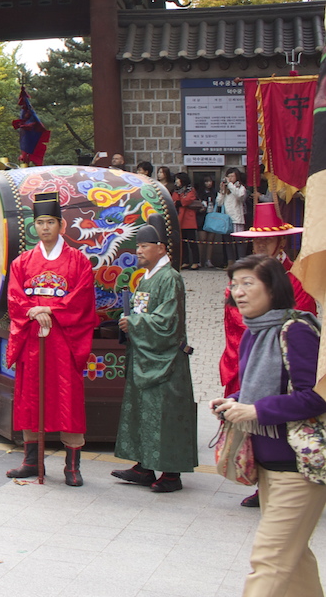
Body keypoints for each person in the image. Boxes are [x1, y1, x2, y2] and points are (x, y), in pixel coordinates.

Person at [213, 254, 326, 597]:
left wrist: (255, 410)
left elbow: (315, 397)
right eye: (235, 284)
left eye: (248, 283)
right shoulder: (255, 332)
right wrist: (233, 401)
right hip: (268, 467)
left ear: (273, 288)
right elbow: (256, 389)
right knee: (294, 559)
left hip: (299, 469)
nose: (238, 292)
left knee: (270, 560)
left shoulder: (298, 330)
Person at [219, 200, 316, 506]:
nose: (239, 292)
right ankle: (259, 477)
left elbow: (312, 395)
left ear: (281, 242)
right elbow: (234, 319)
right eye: (256, 241)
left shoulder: (296, 282)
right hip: (244, 357)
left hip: (281, 365)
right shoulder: (245, 282)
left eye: (267, 240)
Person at [4, 190, 97, 486]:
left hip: (64, 343)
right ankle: (32, 460)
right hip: (33, 342)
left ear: (61, 225)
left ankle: (72, 466)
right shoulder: (22, 262)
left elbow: (82, 298)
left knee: (68, 398)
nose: (45, 228)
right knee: (30, 398)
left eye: (50, 222)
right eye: (40, 222)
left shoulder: (78, 261)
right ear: (34, 226)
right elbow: (14, 298)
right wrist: (32, 311)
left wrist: (49, 309)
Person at [111, 223, 197, 492]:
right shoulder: (146, 278)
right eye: (137, 246)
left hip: (166, 359)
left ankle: (171, 474)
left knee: (165, 414)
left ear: (161, 248)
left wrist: (134, 323)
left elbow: (167, 321)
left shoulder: (170, 278)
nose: (138, 251)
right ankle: (144, 467)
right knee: (143, 411)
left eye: (144, 246)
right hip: (145, 356)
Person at [173, 172, 199, 270]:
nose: (176, 181)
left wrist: (180, 202)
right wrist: (180, 201)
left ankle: (196, 261)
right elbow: (174, 200)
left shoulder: (190, 189)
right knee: (182, 243)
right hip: (180, 218)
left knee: (192, 242)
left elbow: (188, 200)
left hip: (189, 219)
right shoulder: (176, 190)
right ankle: (185, 261)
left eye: (178, 179)